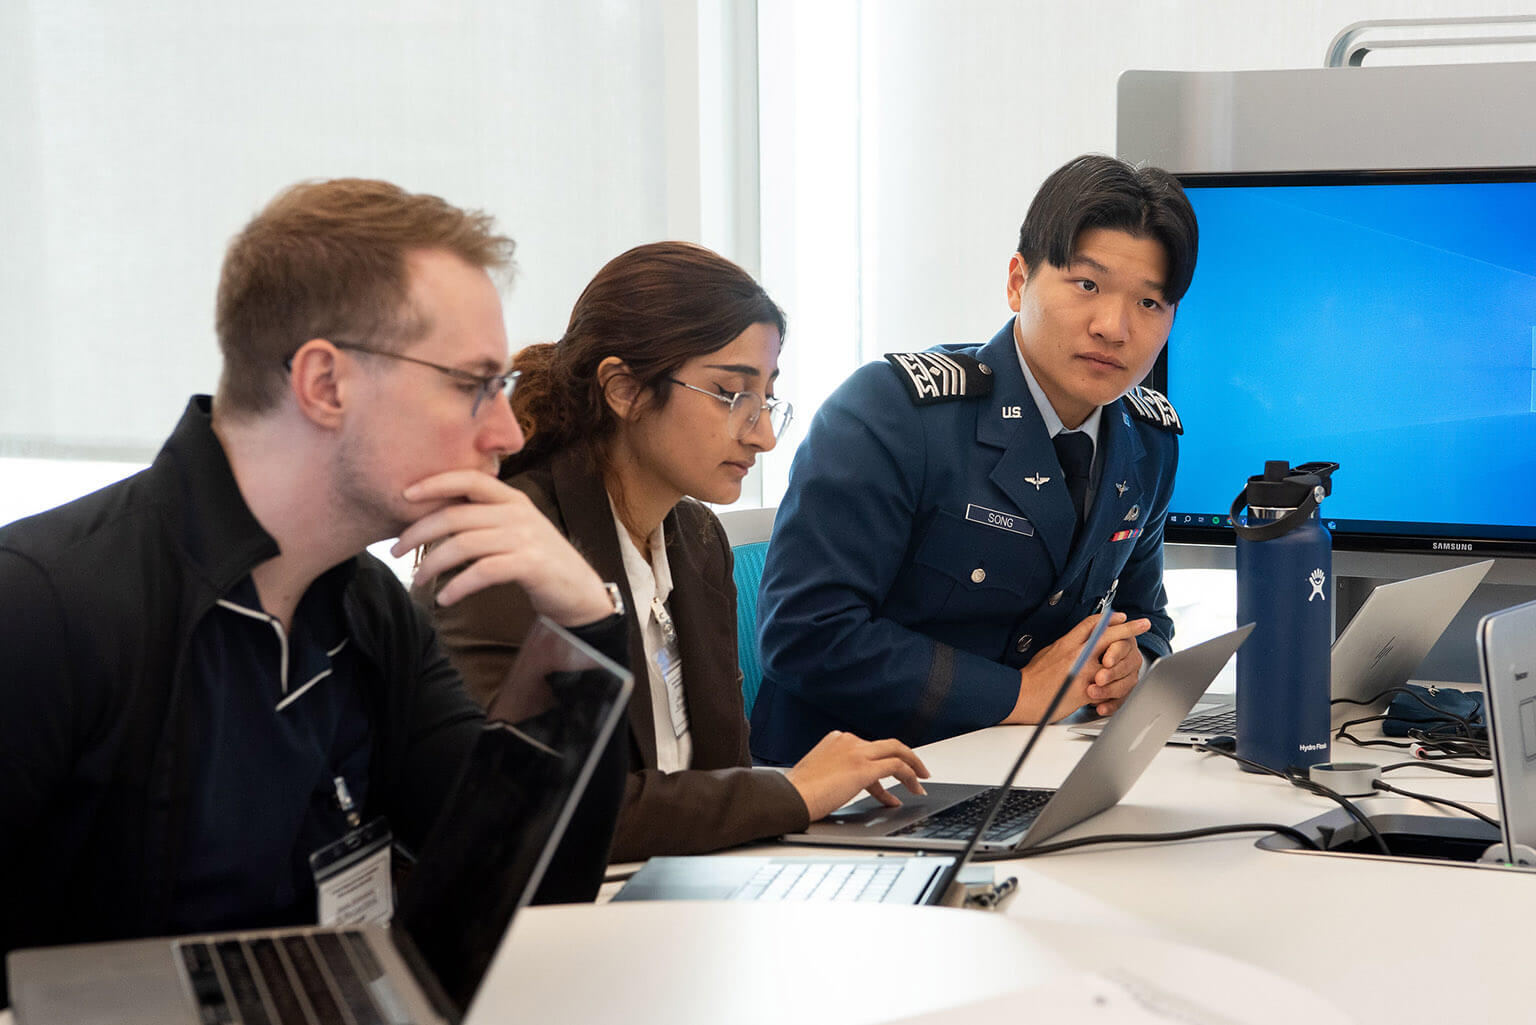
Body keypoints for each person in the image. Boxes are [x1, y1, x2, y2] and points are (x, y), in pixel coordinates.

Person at [0, 178, 630, 993]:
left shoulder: (368, 611)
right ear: (325, 384)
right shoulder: (45, 608)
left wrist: (582, 620)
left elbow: (526, 892)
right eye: (473, 383)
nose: (507, 430)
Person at [420, 241, 930, 861]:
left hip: (692, 886)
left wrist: (781, 798)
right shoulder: (507, 549)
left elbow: (717, 773)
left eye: (766, 396)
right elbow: (552, 817)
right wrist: (790, 790)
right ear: (624, 389)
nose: (764, 434)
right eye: (730, 394)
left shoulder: (696, 539)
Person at [751, 154, 1199, 763]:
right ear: (1018, 281)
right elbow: (807, 634)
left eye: (1149, 303)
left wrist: (1130, 667)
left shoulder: (1150, 441)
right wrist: (1017, 694)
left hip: (1030, 773)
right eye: (1087, 285)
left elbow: (1145, 618)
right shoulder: (893, 413)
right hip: (858, 792)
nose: (1113, 327)